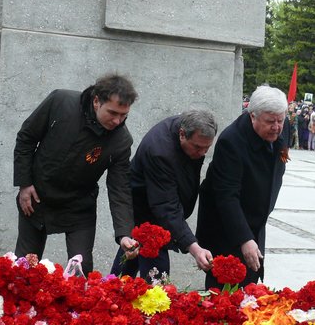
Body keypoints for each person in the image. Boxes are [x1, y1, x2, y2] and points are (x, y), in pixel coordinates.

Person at [13, 73, 138, 274]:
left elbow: (120, 187)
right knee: (25, 268)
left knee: (82, 270)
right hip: (37, 197)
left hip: (79, 207)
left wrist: (124, 234)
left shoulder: (121, 141)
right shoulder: (60, 102)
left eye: (123, 115)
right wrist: (24, 184)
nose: (117, 121)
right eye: (112, 113)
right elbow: (26, 138)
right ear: (97, 101)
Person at [196, 85, 287, 289]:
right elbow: (226, 195)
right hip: (226, 227)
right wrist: (244, 238)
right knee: (224, 293)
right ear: (252, 116)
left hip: (255, 220)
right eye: (270, 121)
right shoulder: (232, 141)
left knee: (250, 289)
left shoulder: (280, 127)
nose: (277, 127)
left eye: (280, 120)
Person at [110, 110, 217, 279]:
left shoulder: (189, 132)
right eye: (197, 147)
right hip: (147, 212)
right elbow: (166, 206)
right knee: (157, 280)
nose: (202, 153)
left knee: (128, 262)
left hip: (157, 211)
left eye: (207, 147)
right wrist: (194, 248)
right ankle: (111, 294)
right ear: (182, 134)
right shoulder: (160, 152)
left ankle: (110, 289)